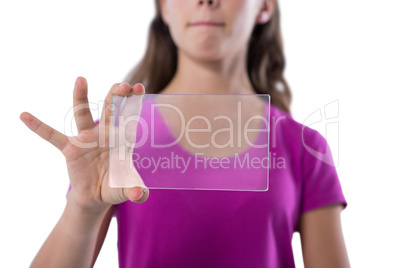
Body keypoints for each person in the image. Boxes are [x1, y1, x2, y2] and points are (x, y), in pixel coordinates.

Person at [20, 0, 350, 267]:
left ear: (265, 6)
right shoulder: (121, 136)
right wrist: (82, 206)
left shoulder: (305, 148)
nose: (206, 1)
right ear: (164, 7)